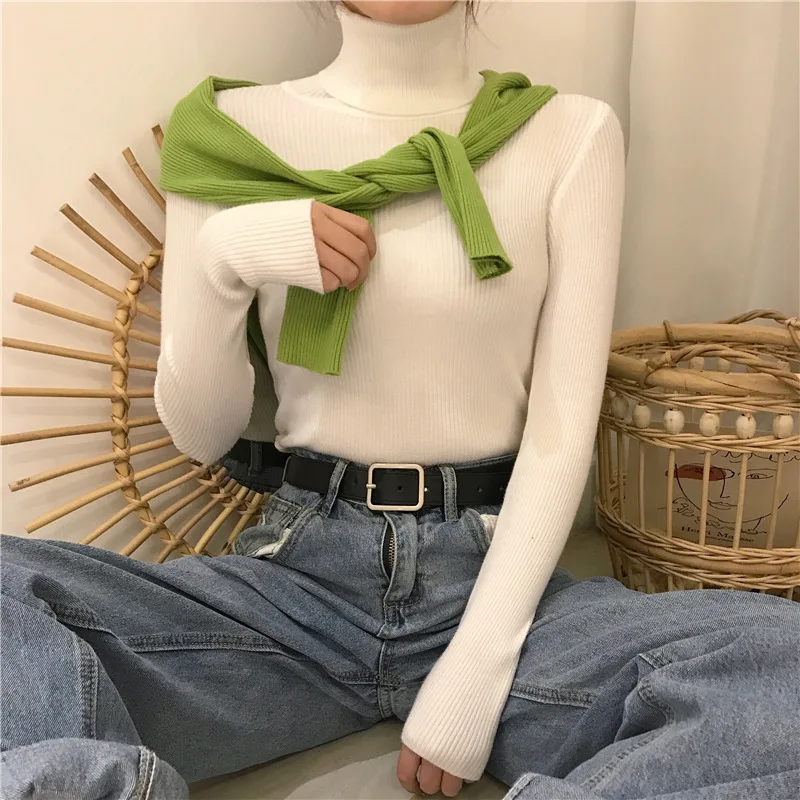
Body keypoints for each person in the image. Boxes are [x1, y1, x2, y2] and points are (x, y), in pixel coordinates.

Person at [2, 2, 798, 799]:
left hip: (494, 579)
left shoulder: (570, 133)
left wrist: (474, 674)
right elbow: (203, 435)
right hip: (297, 587)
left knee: (781, 665)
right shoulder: (229, 135)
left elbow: (562, 432)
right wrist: (222, 260)